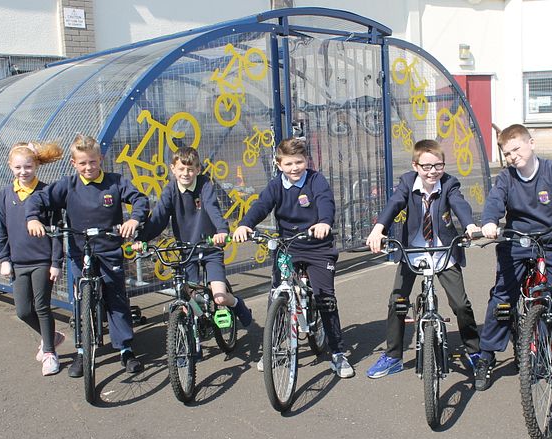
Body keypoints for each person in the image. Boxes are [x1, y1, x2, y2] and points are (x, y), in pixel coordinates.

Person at [477, 124, 552, 391]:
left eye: (516, 149)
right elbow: (495, 201)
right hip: (516, 242)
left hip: (549, 242)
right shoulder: (506, 178)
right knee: (502, 298)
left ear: (531, 143)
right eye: (507, 153)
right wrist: (490, 221)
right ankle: (486, 355)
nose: (513, 156)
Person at [26, 134, 149, 377]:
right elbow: (40, 199)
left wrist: (134, 218)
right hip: (79, 253)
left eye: (92, 162)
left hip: (109, 250)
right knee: (81, 301)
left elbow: (139, 199)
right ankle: (83, 351)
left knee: (116, 299)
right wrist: (32, 219)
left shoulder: (115, 182)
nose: (88, 167)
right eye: (82, 163)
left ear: (100, 159)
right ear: (74, 163)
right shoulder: (68, 185)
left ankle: (125, 348)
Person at [232, 137, 354, 378]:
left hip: (317, 245)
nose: (294, 168)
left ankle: (338, 353)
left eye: (299, 162)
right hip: (288, 246)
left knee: (325, 299)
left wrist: (323, 222)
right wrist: (245, 225)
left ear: (307, 161)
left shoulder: (316, 180)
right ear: (279, 165)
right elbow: (261, 205)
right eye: (288, 164)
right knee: (277, 293)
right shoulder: (277, 185)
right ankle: (274, 347)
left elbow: (325, 203)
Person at [364, 139, 481, 378]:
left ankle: (474, 351)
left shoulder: (449, 183)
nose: (432, 171)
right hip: (413, 252)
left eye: (438, 165)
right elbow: (394, 203)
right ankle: (393, 356)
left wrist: (469, 226)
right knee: (396, 301)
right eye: (426, 166)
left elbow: (459, 204)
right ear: (415, 166)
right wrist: (379, 229)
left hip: (443, 252)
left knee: (460, 304)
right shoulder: (407, 182)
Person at [134, 146, 252, 333]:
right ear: (173, 169)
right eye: (181, 169)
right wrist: (141, 239)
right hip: (186, 250)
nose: (186, 173)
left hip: (210, 248)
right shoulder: (171, 190)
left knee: (219, 297)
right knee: (188, 297)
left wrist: (221, 231)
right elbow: (158, 218)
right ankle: (196, 328)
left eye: (190, 169)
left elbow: (213, 209)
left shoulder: (205, 185)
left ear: (198, 169)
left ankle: (238, 305)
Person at [0, 141, 66, 376]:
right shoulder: (5, 194)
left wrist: (56, 263)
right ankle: (52, 337)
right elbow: (1, 230)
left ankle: (49, 353)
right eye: (18, 167)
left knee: (42, 306)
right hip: (18, 262)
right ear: (10, 167)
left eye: (28, 166)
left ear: (36, 165)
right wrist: (4, 258)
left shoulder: (46, 193)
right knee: (23, 311)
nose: (23, 171)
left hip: (42, 260)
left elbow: (57, 231)